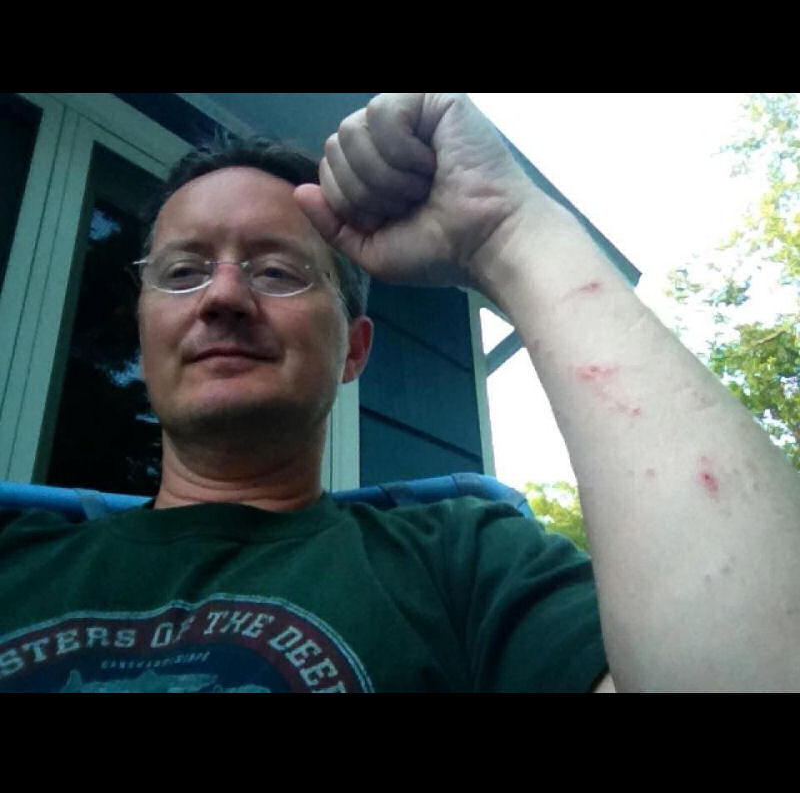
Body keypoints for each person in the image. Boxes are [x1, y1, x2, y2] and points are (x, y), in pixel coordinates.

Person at [1, 94, 798, 693]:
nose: (223, 297)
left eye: (276, 270)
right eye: (182, 271)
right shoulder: (17, 559)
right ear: (144, 333)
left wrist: (509, 231)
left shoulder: (469, 565)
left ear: (353, 350)